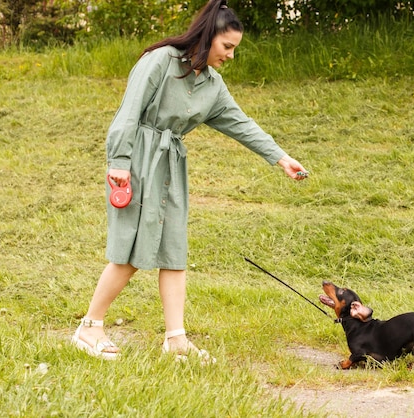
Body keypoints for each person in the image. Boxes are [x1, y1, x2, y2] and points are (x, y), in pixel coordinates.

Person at [72, 0, 308, 361]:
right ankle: (89, 327)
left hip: (171, 166)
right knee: (131, 249)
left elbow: (241, 123)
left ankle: (176, 339)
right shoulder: (161, 61)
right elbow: (129, 110)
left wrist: (280, 157)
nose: (230, 56)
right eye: (227, 46)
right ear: (208, 36)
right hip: (137, 160)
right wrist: (118, 161)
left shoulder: (213, 85)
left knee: (174, 251)